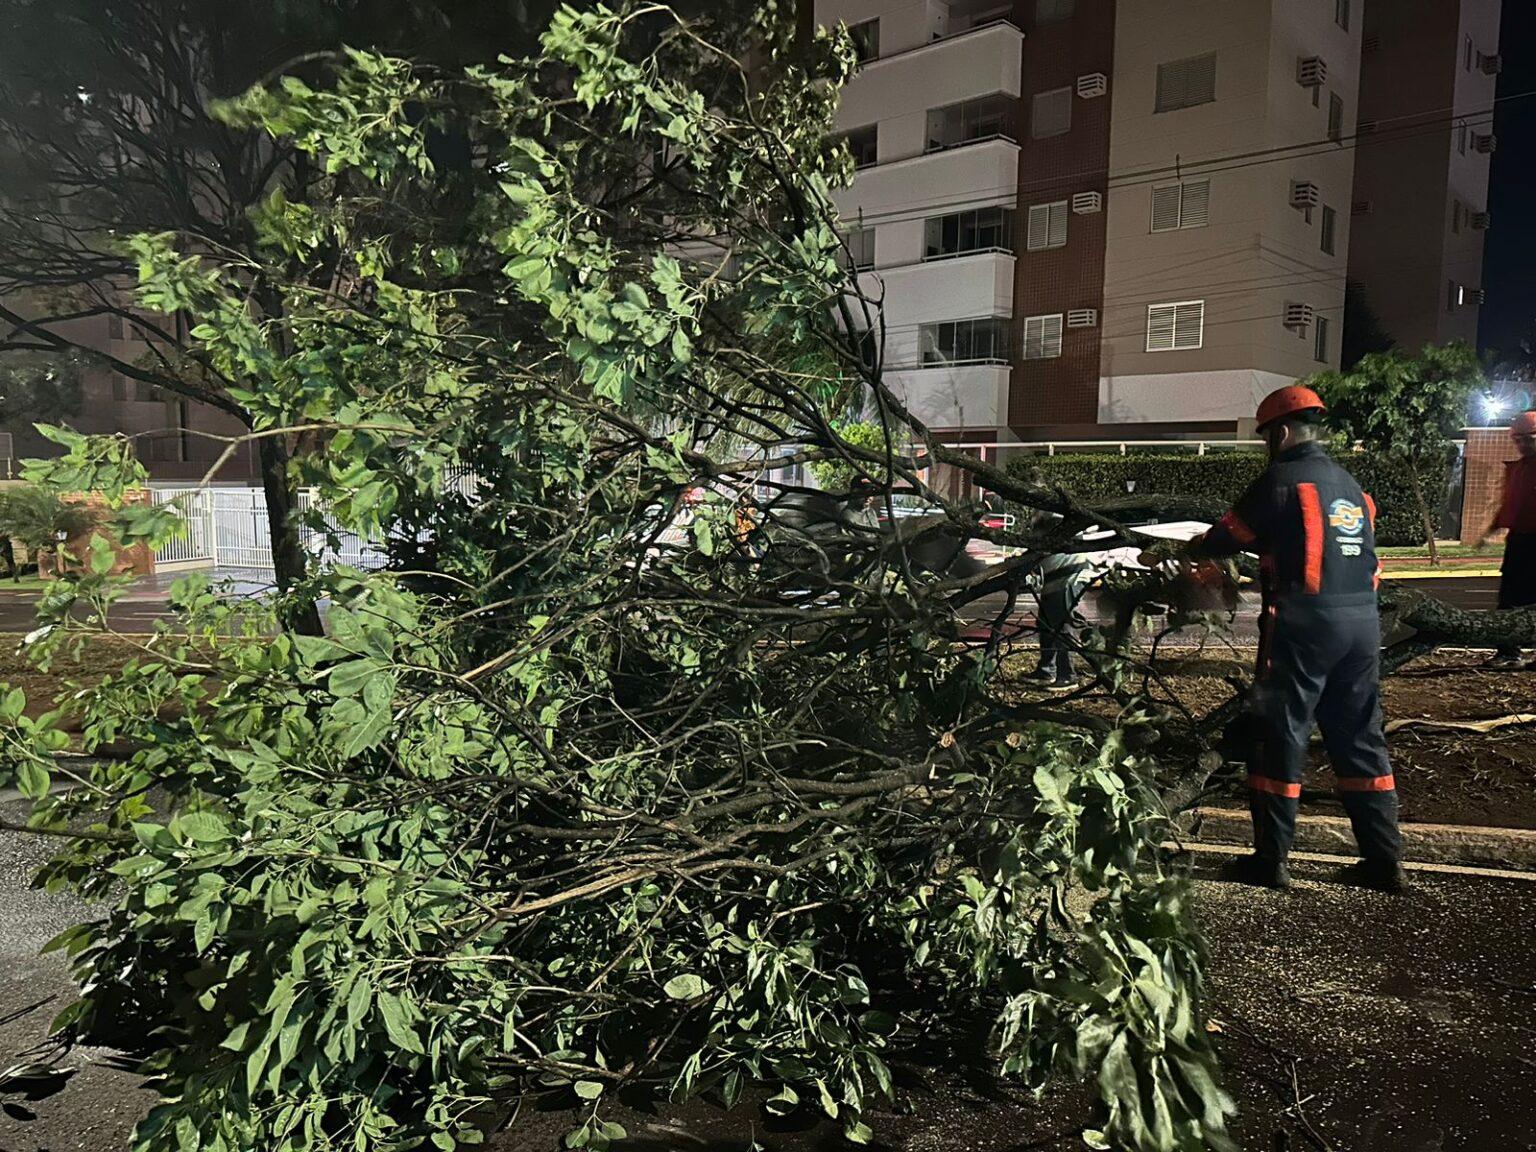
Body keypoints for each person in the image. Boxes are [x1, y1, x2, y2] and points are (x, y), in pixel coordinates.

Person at [1186, 384, 1404, 892]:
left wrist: (1197, 546)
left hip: (1303, 625)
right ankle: (1384, 861)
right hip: (1363, 627)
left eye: (1267, 437)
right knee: (1360, 736)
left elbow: (1226, 538)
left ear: (1279, 433)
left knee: (1281, 732)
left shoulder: (1281, 481)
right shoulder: (1352, 486)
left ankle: (1271, 861)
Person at [1473, 410, 1536, 667]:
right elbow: (1512, 503)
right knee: (1510, 596)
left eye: (1528, 438)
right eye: (1517, 439)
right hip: (1520, 541)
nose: (1521, 445)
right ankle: (1509, 652)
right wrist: (1492, 529)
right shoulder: (1519, 469)